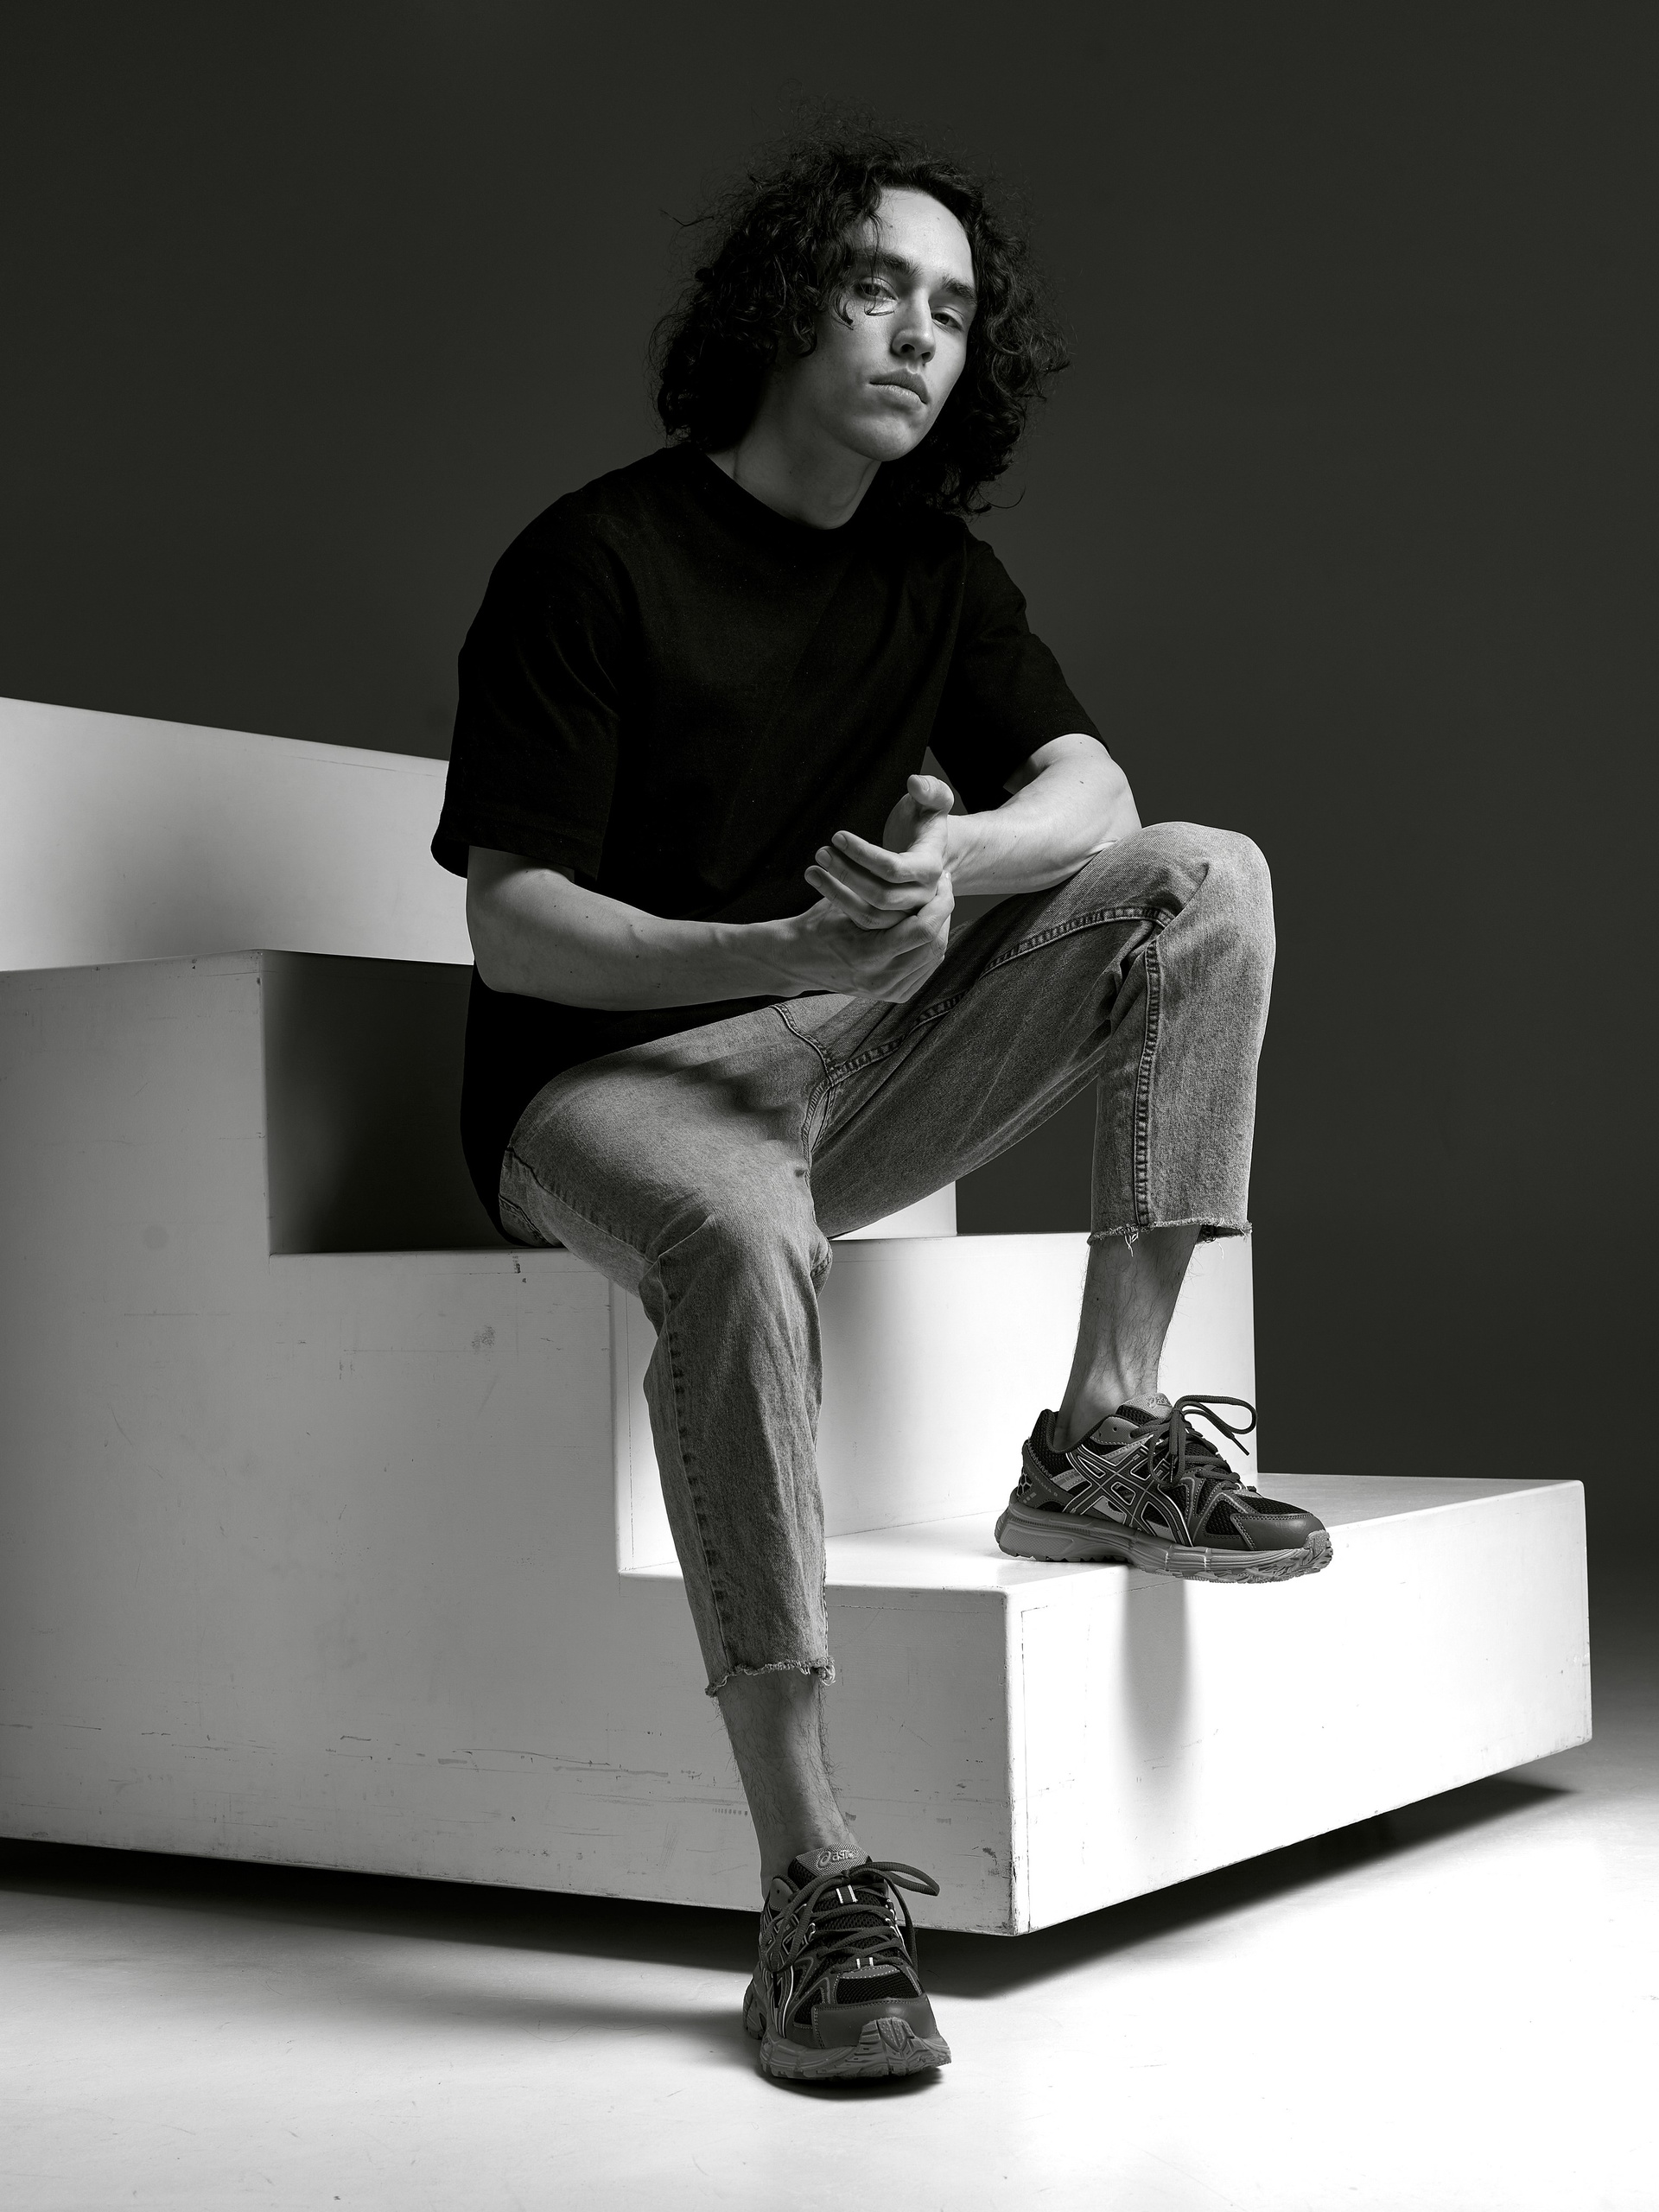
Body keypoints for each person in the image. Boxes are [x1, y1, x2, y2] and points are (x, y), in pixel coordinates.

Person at [430, 128, 1331, 2085]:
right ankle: (812, 1880)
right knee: (742, 1228)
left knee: (1206, 875)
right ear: (782, 307)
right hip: (604, 1089)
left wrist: (955, 864)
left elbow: (1096, 791)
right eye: (875, 286)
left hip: (845, 1054)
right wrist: (784, 945)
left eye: (954, 308)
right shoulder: (593, 560)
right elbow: (516, 926)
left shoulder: (937, 573)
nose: (919, 334)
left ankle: (1104, 1431)